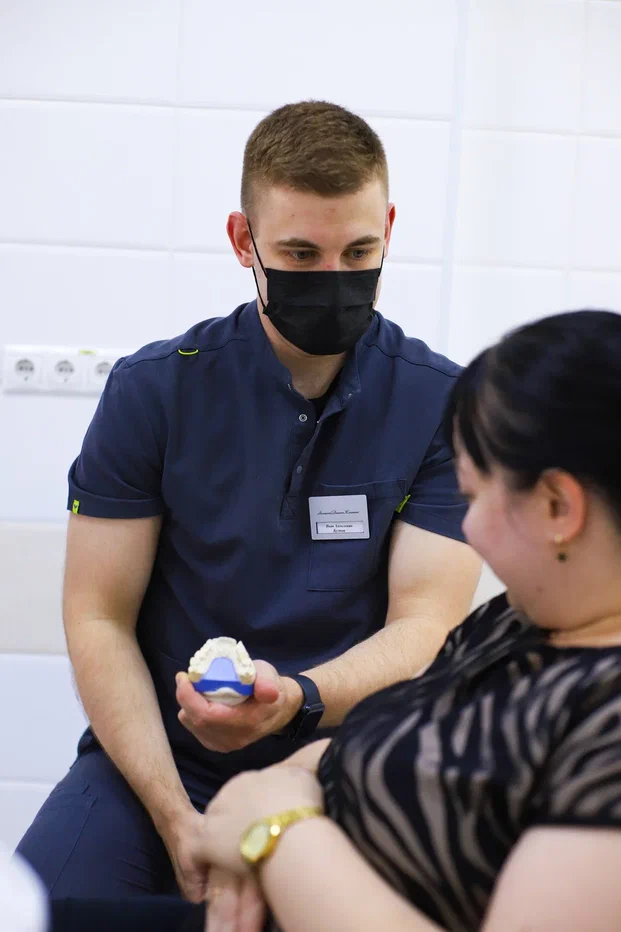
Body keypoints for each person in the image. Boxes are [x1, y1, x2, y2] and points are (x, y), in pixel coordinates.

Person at [16, 100, 480, 901]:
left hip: (343, 757)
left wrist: (295, 702)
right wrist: (175, 818)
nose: (332, 279)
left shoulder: (440, 403)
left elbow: (424, 626)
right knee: (49, 902)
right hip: (159, 761)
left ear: (388, 229)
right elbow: (98, 616)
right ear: (243, 241)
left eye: (358, 251)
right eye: (299, 253)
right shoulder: (154, 392)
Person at [197, 309, 621, 932]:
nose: (467, 529)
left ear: (558, 506)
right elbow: (390, 741)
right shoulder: (514, 622)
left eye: (472, 499)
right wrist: (268, 789)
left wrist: (275, 831)